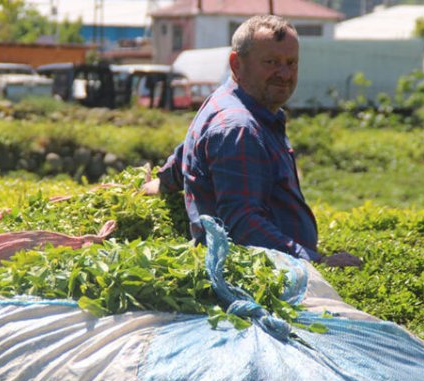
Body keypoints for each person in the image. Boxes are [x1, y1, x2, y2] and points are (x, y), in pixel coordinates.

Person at [145, 15, 360, 268]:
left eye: (291, 63)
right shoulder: (239, 128)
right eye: (271, 62)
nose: (284, 73)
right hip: (264, 275)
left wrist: (162, 182)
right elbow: (243, 226)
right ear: (237, 64)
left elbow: (188, 155)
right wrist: (318, 261)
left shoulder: (227, 102)